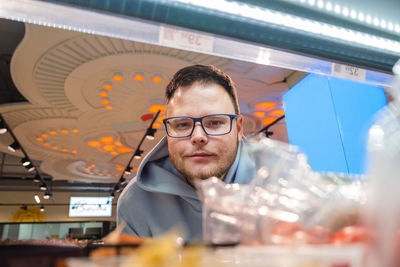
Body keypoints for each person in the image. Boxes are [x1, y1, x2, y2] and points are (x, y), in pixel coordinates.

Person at [117, 65, 255, 242]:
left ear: (238, 128)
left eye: (214, 122)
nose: (198, 137)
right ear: (168, 133)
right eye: (182, 124)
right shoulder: (135, 201)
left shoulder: (281, 187)